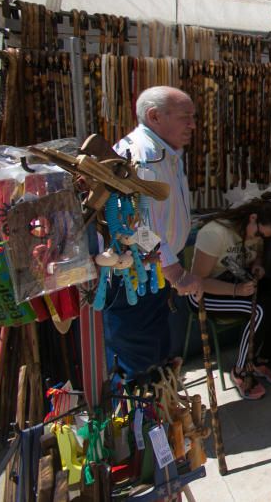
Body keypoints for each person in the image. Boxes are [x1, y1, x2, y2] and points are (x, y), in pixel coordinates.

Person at [106, 86, 203, 378]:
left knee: (156, 355)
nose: (192, 125)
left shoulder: (163, 153)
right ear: (154, 116)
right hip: (136, 276)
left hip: (151, 275)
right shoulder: (140, 156)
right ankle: (146, 416)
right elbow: (133, 226)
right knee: (140, 363)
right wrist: (172, 269)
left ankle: (158, 413)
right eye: (185, 117)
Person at [188, 196, 271, 400]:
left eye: (263, 237)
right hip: (205, 293)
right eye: (258, 233)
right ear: (252, 218)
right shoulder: (215, 233)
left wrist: (258, 265)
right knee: (261, 309)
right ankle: (241, 370)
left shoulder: (254, 231)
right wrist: (236, 290)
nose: (259, 239)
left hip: (239, 281)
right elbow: (197, 282)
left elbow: (255, 255)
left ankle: (262, 360)